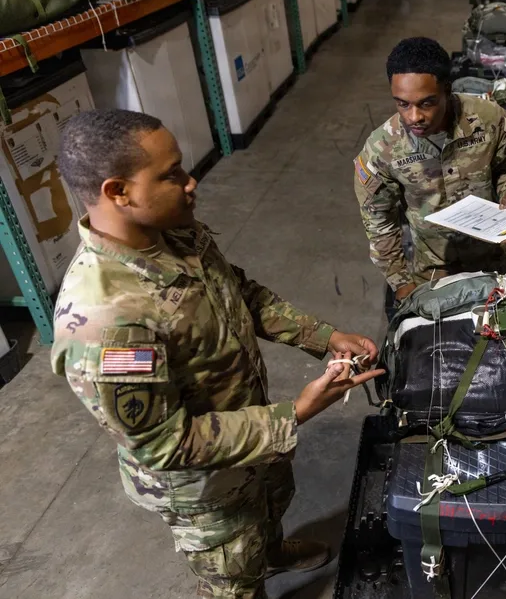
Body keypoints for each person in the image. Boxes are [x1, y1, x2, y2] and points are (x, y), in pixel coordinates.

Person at [50, 110, 384, 598]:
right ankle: (248, 570)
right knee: (233, 577)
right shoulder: (108, 320)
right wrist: (296, 413)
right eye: (170, 175)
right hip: (205, 490)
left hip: (247, 434)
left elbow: (240, 292)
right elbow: (167, 445)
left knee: (269, 506)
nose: (190, 184)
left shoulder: (169, 231)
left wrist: (323, 336)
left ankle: (268, 554)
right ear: (118, 192)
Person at [353, 36, 506, 303]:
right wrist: (401, 283)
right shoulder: (382, 149)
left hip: (495, 265)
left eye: (426, 103)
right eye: (402, 104)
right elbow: (379, 223)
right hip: (433, 276)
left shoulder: (490, 119)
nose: (414, 117)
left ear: (447, 89)